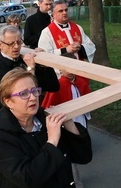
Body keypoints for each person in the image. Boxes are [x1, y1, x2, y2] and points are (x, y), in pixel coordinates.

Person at [0, 68, 92, 187]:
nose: (33, 97)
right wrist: (52, 141)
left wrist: (70, 125)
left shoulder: (46, 119)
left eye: (34, 91)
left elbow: (84, 157)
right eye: (24, 94)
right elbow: (28, 178)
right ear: (8, 102)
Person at [41, 53, 92, 187]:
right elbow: (50, 105)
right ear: (60, 69)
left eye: (73, 68)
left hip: (80, 120)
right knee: (70, 153)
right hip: (65, 124)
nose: (70, 72)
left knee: (81, 144)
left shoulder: (80, 81)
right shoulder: (58, 85)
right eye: (66, 68)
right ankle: (74, 181)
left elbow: (86, 96)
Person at [0, 25, 59, 119]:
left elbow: (53, 86)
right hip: (8, 119)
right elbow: (21, 94)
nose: (16, 47)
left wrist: (44, 65)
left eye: (18, 42)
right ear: (0, 45)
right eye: (11, 44)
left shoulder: (25, 59)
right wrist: (30, 69)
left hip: (32, 116)